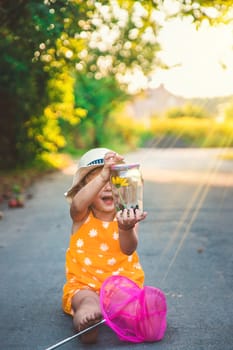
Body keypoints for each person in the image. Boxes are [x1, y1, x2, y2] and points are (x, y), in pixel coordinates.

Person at [62, 147, 147, 343]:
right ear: (85, 189)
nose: (108, 186)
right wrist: (103, 175)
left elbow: (128, 249)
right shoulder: (81, 216)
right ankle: (86, 323)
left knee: (126, 301)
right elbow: (76, 205)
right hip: (84, 285)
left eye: (113, 180)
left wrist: (126, 228)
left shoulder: (127, 217)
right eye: (100, 180)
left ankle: (130, 317)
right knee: (86, 302)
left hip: (120, 284)